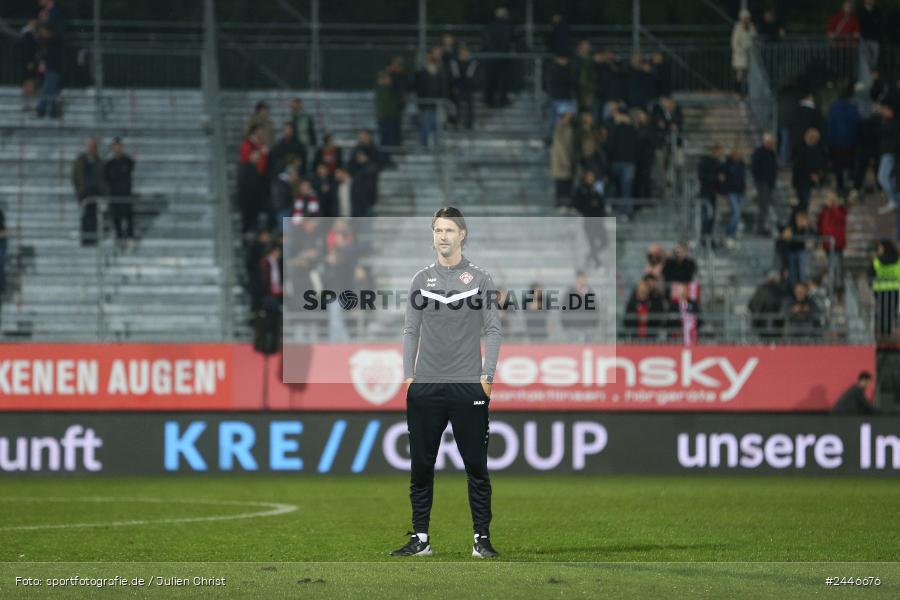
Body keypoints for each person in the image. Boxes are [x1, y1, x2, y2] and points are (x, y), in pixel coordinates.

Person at [394, 207, 501, 559]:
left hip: (468, 385)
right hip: (425, 386)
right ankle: (420, 538)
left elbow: (493, 328)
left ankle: (480, 539)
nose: (442, 236)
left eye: (449, 230)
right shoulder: (420, 280)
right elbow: (411, 330)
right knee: (421, 466)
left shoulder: (480, 279)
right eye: (438, 230)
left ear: (462, 235)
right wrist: (409, 376)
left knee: (476, 467)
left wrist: (487, 377)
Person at [826, 86, 861, 195]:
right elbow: (857, 123)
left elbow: (829, 124)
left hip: (835, 142)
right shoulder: (852, 108)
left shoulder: (833, 108)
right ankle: (851, 185)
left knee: (838, 166)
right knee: (850, 164)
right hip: (850, 142)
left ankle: (840, 185)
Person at [71, 138, 104, 246]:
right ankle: (85, 240)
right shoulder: (80, 160)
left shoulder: (99, 161)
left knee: (94, 216)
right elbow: (75, 176)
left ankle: (93, 239)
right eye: (90, 146)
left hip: (95, 192)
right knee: (85, 216)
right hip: (84, 192)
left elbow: (103, 177)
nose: (91, 148)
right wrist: (78, 190)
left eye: (93, 146)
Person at [104, 137, 136, 246]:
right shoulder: (109, 163)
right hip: (114, 194)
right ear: (112, 148)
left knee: (128, 215)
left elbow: (132, 167)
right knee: (116, 216)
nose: (117, 149)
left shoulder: (128, 161)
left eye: (119, 146)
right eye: (115, 147)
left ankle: (130, 236)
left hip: (126, 193)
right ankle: (119, 236)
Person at [572, 169, 608, 267]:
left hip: (598, 220)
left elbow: (601, 203)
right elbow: (577, 204)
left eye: (592, 177)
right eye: (589, 176)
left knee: (604, 242)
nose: (591, 179)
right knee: (592, 242)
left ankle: (591, 256)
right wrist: (589, 206)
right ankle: (595, 261)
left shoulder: (596, 189)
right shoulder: (580, 190)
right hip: (588, 220)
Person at [481, 6, 516, 108]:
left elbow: (484, 43)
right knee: (503, 80)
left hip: (490, 57)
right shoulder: (509, 27)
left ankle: (488, 101)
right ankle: (502, 100)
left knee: (490, 79)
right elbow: (512, 40)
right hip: (503, 57)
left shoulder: (488, 27)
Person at [35, 0, 64, 119]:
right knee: (50, 82)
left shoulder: (56, 13)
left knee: (50, 81)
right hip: (47, 54)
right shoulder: (46, 13)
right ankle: (50, 109)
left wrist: (43, 28)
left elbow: (56, 33)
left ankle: (44, 108)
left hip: (53, 54)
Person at [238, 125, 269, 233]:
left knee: (254, 210)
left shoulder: (261, 147)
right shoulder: (248, 146)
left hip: (257, 185)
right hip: (248, 188)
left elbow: (262, 166)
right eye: (258, 133)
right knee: (248, 211)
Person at [415, 53, 448, 147]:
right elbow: (419, 88)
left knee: (437, 126)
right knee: (425, 126)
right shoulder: (422, 74)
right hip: (426, 105)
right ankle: (424, 144)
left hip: (437, 105)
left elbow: (443, 89)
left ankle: (437, 144)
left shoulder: (439, 74)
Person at [817, 191, 848, 288]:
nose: (831, 201)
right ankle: (831, 287)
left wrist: (835, 207)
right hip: (827, 244)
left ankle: (838, 287)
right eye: (829, 198)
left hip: (837, 244)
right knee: (830, 267)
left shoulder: (840, 210)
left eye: (833, 199)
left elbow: (841, 219)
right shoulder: (823, 211)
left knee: (838, 267)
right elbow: (820, 226)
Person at [870, 239, 900, 337]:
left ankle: (882, 331)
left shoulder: (877, 260)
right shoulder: (898, 260)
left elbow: (871, 274)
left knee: (881, 311)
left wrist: (871, 285)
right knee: (892, 310)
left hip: (880, 290)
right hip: (894, 288)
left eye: (880, 247)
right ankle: (890, 331)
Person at [792, 128, 826, 212]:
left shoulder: (816, 149)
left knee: (804, 203)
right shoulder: (802, 150)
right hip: (802, 181)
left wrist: (819, 173)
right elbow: (799, 167)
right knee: (803, 204)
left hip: (808, 181)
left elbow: (819, 163)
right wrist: (811, 174)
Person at [698, 143, 725, 246]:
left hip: (713, 193)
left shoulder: (718, 163)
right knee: (707, 216)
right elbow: (702, 176)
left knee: (712, 217)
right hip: (706, 193)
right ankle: (703, 238)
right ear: (714, 151)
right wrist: (716, 177)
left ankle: (709, 238)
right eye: (719, 151)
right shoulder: (705, 161)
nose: (720, 154)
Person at [751, 133, 778, 235]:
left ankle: (763, 227)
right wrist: (758, 179)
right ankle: (760, 228)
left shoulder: (772, 153)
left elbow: (774, 168)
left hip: (769, 183)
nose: (771, 144)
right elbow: (754, 167)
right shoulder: (759, 152)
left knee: (765, 206)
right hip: (762, 182)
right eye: (769, 142)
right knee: (763, 206)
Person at [876, 104, 900, 215]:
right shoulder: (890, 122)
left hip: (890, 153)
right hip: (889, 153)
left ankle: (895, 201)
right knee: (888, 179)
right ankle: (894, 200)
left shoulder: (893, 123)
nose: (883, 111)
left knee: (884, 178)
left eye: (886, 109)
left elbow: (880, 131)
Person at [748, 271, 787, 339]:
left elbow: (751, 305)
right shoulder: (780, 290)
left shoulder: (761, 289)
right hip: (776, 322)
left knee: (764, 341)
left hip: (761, 321)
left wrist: (757, 315)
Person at [448, 45, 478, 130]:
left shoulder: (472, 63)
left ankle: (470, 123)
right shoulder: (454, 62)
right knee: (456, 106)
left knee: (470, 107)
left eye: (465, 53)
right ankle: (455, 123)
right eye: (462, 53)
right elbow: (454, 76)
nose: (464, 54)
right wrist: (455, 87)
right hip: (458, 89)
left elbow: (472, 76)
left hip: (468, 88)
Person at [721, 146, 747, 244]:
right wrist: (724, 193)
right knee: (736, 213)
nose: (738, 156)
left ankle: (733, 233)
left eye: (740, 154)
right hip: (731, 192)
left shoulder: (742, 164)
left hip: (740, 192)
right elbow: (723, 180)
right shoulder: (726, 165)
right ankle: (729, 232)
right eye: (736, 154)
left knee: (738, 214)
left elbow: (743, 179)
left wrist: (744, 189)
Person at [550, 110, 575, 210]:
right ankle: (561, 204)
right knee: (561, 182)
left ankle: (567, 203)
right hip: (561, 160)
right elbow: (559, 145)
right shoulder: (559, 127)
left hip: (568, 158)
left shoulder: (569, 126)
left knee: (567, 182)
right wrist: (565, 159)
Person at [782, 211, 814, 286]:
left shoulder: (807, 228)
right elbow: (785, 236)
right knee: (792, 273)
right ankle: (793, 287)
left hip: (802, 251)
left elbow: (813, 235)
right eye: (799, 219)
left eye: (802, 219)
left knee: (802, 271)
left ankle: (803, 285)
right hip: (791, 251)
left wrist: (807, 228)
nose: (800, 221)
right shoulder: (792, 226)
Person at [375, 70, 403, 153]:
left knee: (389, 136)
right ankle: (387, 154)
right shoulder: (384, 89)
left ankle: (391, 152)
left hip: (389, 116)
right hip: (387, 116)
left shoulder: (390, 89)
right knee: (386, 136)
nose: (389, 80)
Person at [731, 9, 756, 95]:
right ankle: (737, 93)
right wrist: (740, 50)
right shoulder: (738, 27)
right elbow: (735, 42)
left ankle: (746, 93)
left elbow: (754, 38)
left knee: (748, 77)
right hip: (740, 56)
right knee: (740, 76)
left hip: (750, 55)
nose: (748, 20)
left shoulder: (752, 27)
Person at [289, 97, 317, 164]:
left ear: (300, 104)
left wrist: (313, 144)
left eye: (295, 104)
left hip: (304, 145)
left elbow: (311, 131)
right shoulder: (290, 117)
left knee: (304, 164)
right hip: (293, 145)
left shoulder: (306, 117)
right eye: (292, 104)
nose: (293, 106)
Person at [858, 0, 883, 72]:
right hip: (863, 39)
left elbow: (880, 25)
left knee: (874, 61)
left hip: (875, 39)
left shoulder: (877, 11)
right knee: (865, 59)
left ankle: (872, 77)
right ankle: (865, 76)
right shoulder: (860, 11)